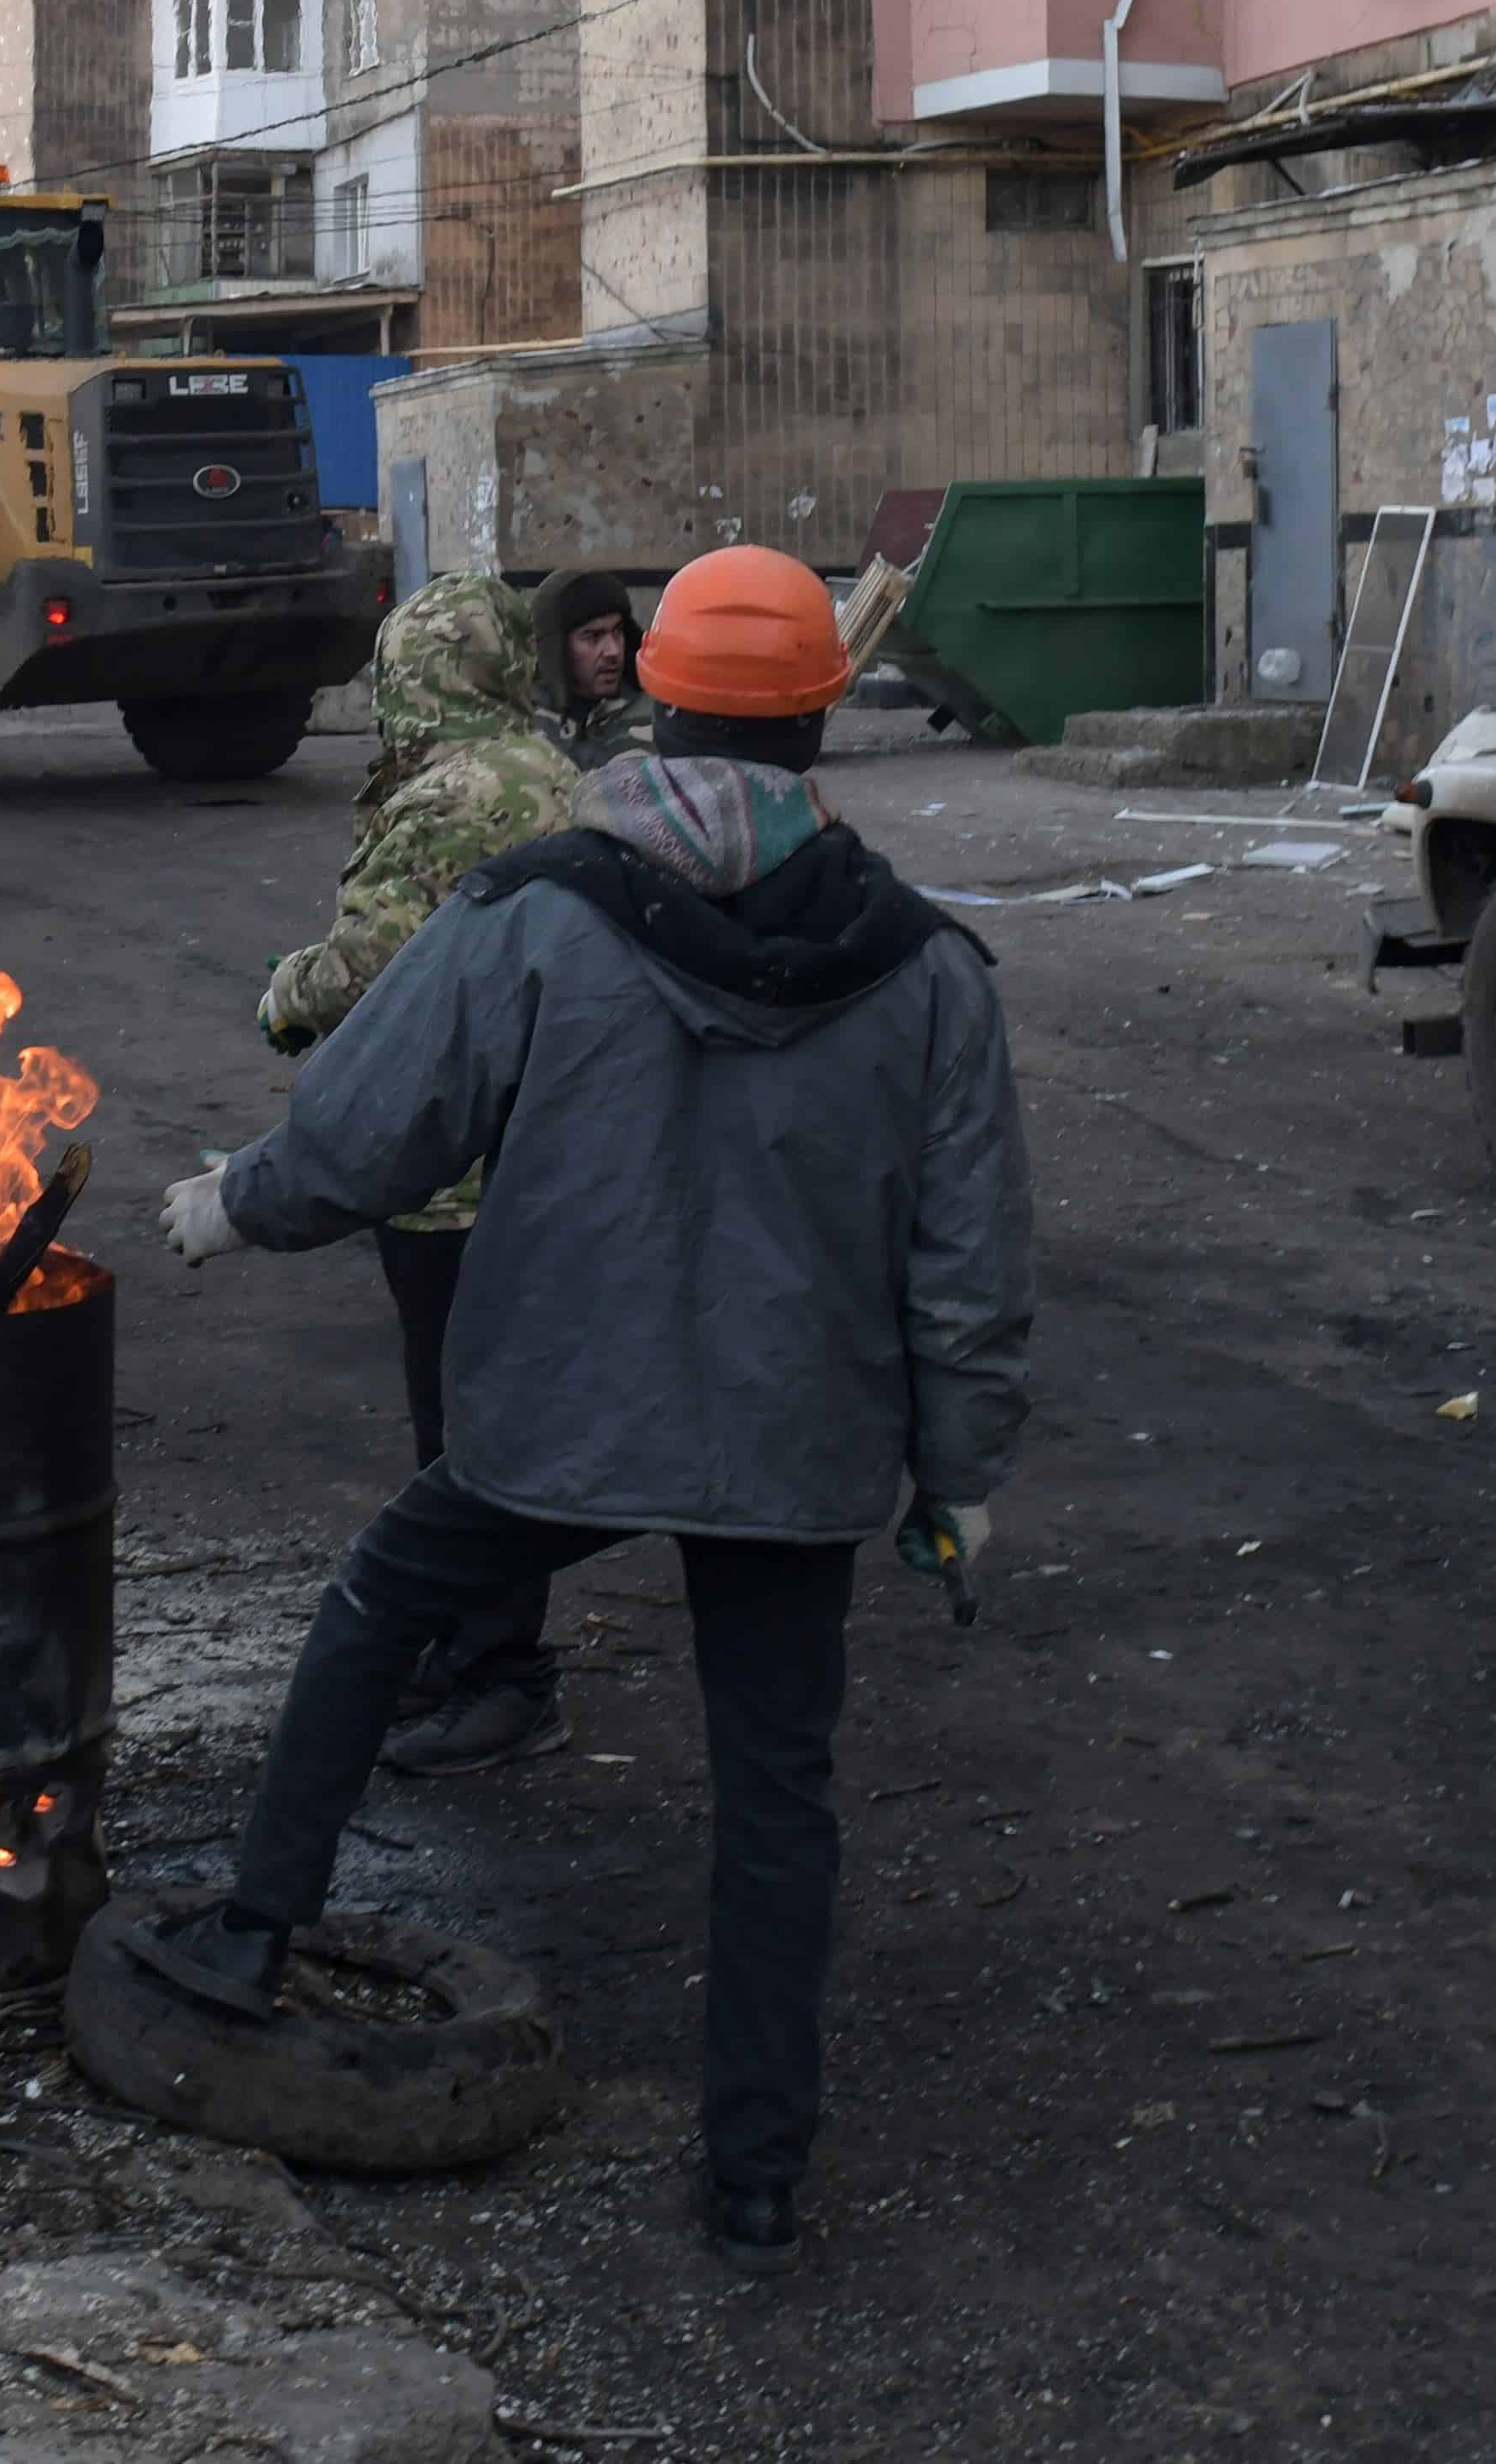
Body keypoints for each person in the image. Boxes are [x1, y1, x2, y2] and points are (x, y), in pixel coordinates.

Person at [150, 543, 1034, 2276]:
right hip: (797, 1441)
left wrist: (238, 1201)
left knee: (383, 1600)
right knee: (778, 1789)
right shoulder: (925, 965)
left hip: (558, 1409)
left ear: (659, 691)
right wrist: (959, 1467)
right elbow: (968, 1254)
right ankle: (758, 2169)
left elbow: (376, 1120)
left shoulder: (544, 904)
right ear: (819, 712)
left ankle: (253, 1933)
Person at [251, 576, 577, 1776]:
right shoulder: (542, 770)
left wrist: (283, 995)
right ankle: (463, 1653)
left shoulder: (453, 794)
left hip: (452, 1170)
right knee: (481, 1415)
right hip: (531, 1151)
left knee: (469, 1429)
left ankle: (501, 1677)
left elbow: (371, 962)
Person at [528, 565, 652, 767]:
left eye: (618, 631)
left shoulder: (659, 719)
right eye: (593, 636)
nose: (613, 651)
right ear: (556, 648)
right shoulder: (522, 723)